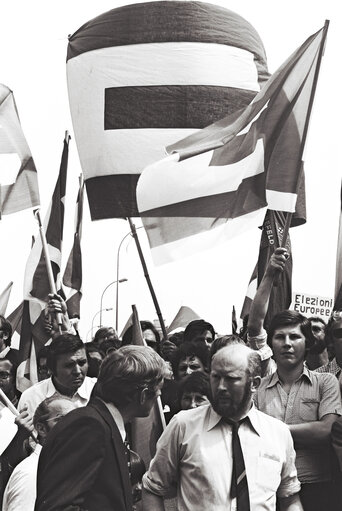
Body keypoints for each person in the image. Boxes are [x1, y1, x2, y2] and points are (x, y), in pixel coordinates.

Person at [142, 344, 303, 511]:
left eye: (231, 379)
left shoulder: (278, 433)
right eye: (215, 377)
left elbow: (289, 497)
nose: (220, 387)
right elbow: (153, 488)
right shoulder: (183, 425)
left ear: (254, 384)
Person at [35, 345, 167, 511]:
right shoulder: (89, 427)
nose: (160, 395)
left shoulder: (101, 424)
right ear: (142, 395)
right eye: (159, 389)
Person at [255, 310, 342, 511]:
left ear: (307, 344)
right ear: (270, 343)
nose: (287, 343)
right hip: (269, 488)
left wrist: (271, 429)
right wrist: (305, 432)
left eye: (294, 336)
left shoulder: (325, 382)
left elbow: (325, 430)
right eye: (280, 337)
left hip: (318, 486)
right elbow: (253, 437)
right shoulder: (257, 388)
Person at [2, 396, 76, 511]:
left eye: (77, 419)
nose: (74, 425)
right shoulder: (31, 474)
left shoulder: (59, 468)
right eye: (63, 419)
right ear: (41, 429)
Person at [18, 334, 96, 418]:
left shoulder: (99, 389)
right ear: (51, 369)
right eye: (69, 365)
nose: (77, 371)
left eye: (82, 363)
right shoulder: (31, 398)